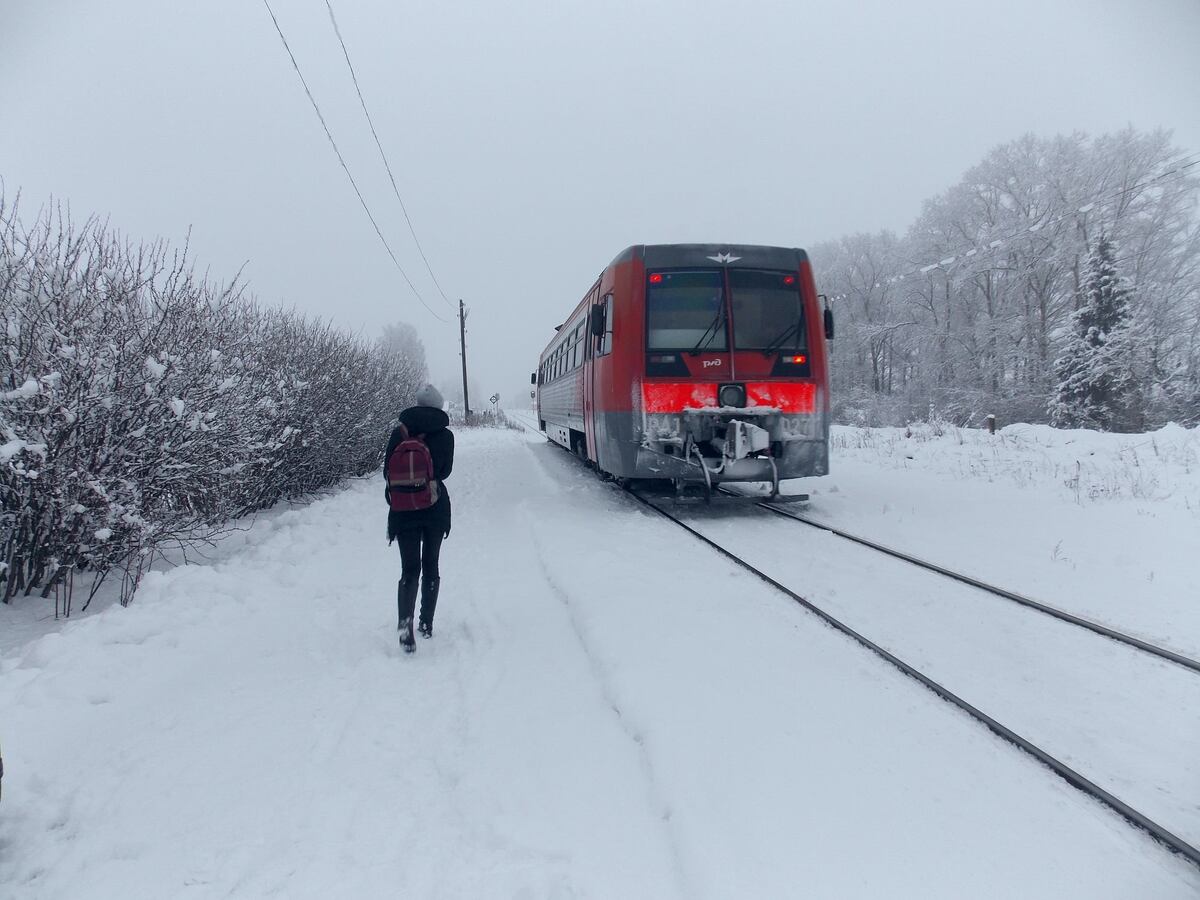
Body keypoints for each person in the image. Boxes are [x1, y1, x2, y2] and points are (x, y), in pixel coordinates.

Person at [385, 384, 454, 652]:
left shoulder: (399, 432)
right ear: (438, 406)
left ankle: (405, 625)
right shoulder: (445, 436)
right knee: (431, 565)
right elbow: (445, 472)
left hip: (403, 510)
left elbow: (387, 472)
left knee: (409, 569)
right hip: (434, 506)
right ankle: (426, 623)